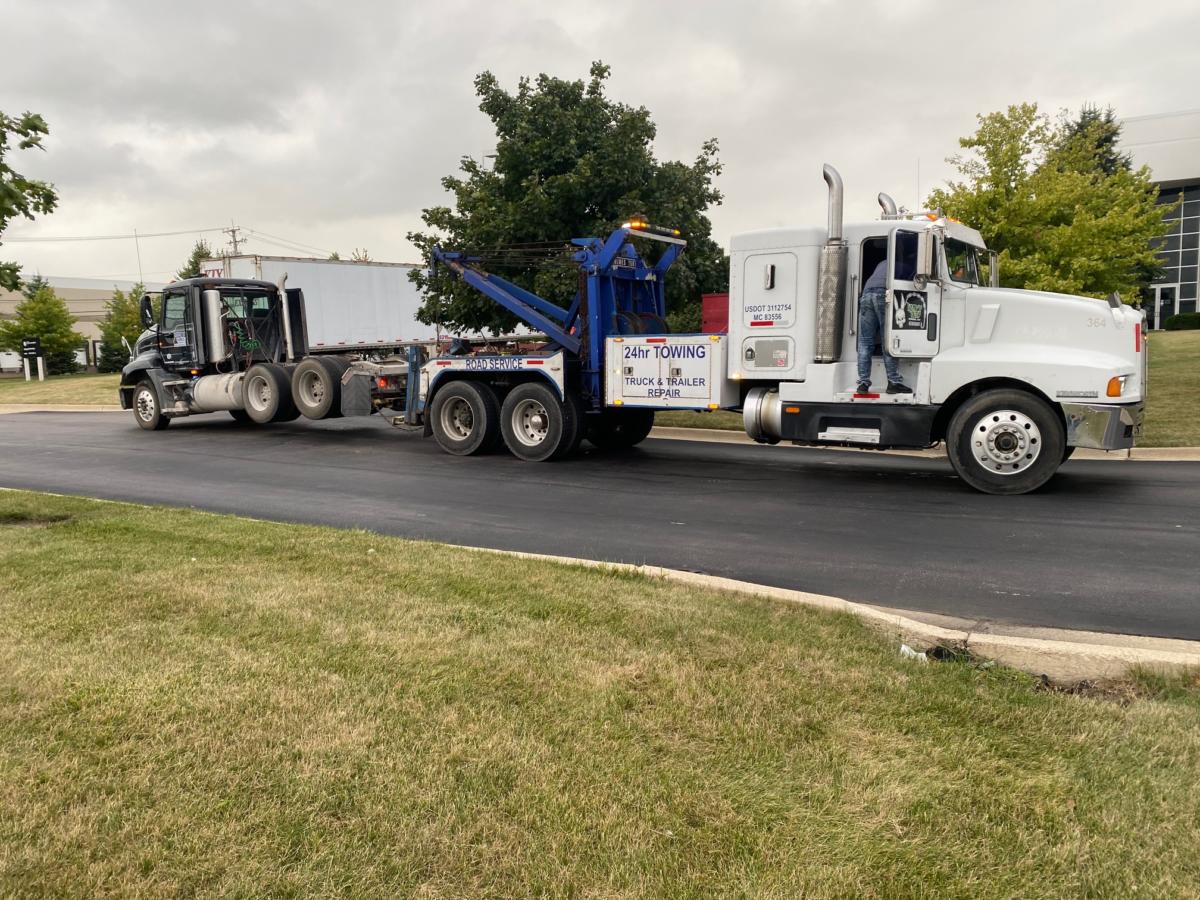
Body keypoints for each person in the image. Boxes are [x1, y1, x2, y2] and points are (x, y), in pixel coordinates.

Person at [856, 258, 912, 395]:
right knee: (887, 340)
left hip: (866, 294)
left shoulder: (882, 262)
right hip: (883, 294)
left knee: (865, 342)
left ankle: (863, 383)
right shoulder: (909, 266)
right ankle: (893, 382)